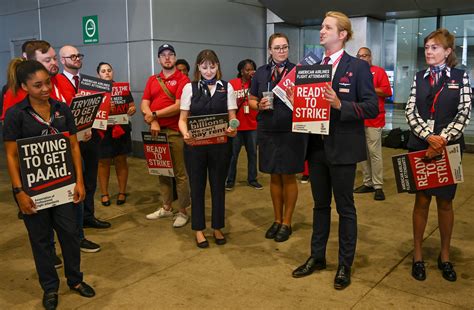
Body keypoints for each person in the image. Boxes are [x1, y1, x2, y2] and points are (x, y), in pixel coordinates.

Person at [291, 11, 378, 290]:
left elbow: (371, 107)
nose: (321, 30)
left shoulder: (358, 67)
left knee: (345, 208)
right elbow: (308, 108)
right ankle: (317, 257)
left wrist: (341, 105)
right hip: (316, 146)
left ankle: (344, 264)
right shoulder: (312, 67)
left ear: (342, 35)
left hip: (343, 147)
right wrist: (297, 100)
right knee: (319, 206)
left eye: (327, 27)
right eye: (321, 26)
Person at [3, 60, 95, 310]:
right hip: (32, 190)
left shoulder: (62, 109)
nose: (45, 89)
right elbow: (11, 155)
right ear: (24, 86)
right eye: (37, 85)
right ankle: (50, 288)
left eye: (47, 83)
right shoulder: (16, 114)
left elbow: (74, 146)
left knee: (70, 235)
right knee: (41, 241)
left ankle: (75, 280)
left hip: (64, 186)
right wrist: (18, 191)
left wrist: (79, 181)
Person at [405, 29, 471, 282]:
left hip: (449, 147)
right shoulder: (419, 77)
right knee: (421, 202)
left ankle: (445, 256)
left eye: (434, 47)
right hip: (421, 146)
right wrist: (428, 137)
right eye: (427, 47)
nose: (429, 52)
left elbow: (464, 111)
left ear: (447, 51)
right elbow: (411, 110)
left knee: (445, 202)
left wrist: (442, 139)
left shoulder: (460, 77)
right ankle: (418, 256)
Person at [248, 33, 307, 242]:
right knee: (274, 175)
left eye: (284, 47)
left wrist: (297, 99)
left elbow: (309, 101)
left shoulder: (298, 72)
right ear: (270, 50)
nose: (281, 51)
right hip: (268, 129)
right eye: (277, 47)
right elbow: (251, 99)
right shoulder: (261, 74)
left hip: (292, 130)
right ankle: (276, 219)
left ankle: (287, 222)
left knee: (289, 175)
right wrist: (258, 105)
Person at [178, 49, 237, 248]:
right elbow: (182, 119)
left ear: (218, 66)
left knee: (218, 187)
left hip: (221, 146)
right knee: (197, 187)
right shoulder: (189, 88)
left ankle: (218, 226)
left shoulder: (226, 88)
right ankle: (199, 229)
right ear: (198, 68)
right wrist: (185, 133)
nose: (209, 71)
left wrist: (233, 128)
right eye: (204, 67)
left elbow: (232, 117)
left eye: (212, 66)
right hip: (195, 147)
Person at [59, 45, 111, 233]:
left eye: (78, 55)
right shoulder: (56, 82)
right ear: (62, 60)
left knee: (90, 179)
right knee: (74, 181)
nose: (77, 58)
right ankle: (75, 223)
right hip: (70, 140)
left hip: (91, 136)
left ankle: (88, 216)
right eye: (71, 56)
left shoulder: (89, 82)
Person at [141, 44, 191, 228]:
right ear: (158, 59)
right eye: (163, 55)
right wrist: (152, 120)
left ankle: (183, 211)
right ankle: (167, 207)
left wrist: (155, 115)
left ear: (175, 57)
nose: (167, 58)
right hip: (156, 132)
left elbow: (179, 106)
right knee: (161, 171)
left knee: (180, 174)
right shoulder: (153, 79)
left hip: (175, 132)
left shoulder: (182, 80)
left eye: (170, 55)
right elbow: (144, 103)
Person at [353, 47, 392, 201]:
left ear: (370, 57)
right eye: (359, 56)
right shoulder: (354, 73)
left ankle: (378, 186)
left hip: (375, 119)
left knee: (374, 153)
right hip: (357, 118)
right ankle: (367, 182)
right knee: (362, 153)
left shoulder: (379, 71)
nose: (362, 58)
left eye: (365, 56)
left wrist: (368, 89)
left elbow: (387, 91)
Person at [96, 62, 136, 206]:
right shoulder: (94, 91)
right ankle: (104, 193)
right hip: (102, 131)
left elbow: (131, 106)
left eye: (109, 70)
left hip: (121, 130)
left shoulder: (122, 89)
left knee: (121, 160)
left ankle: (122, 192)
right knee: (103, 162)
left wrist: (132, 109)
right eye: (103, 71)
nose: (107, 73)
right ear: (98, 75)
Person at [225, 59, 263, 191]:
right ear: (241, 71)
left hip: (252, 125)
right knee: (233, 154)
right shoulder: (232, 84)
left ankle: (252, 179)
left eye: (253, 69)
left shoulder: (256, 84)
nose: (251, 72)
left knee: (252, 153)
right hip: (236, 125)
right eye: (247, 70)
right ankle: (230, 180)